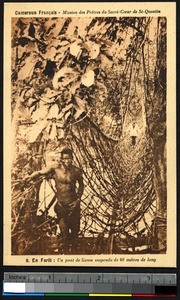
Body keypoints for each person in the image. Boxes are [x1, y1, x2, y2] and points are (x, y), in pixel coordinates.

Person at [25, 148, 84, 253]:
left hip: (73, 205)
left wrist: (78, 201)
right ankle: (66, 257)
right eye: (65, 159)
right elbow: (40, 172)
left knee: (75, 233)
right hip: (61, 206)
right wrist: (29, 177)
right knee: (64, 234)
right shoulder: (55, 168)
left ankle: (74, 255)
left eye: (69, 158)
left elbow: (81, 186)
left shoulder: (76, 171)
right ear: (61, 159)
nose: (67, 161)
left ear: (72, 158)